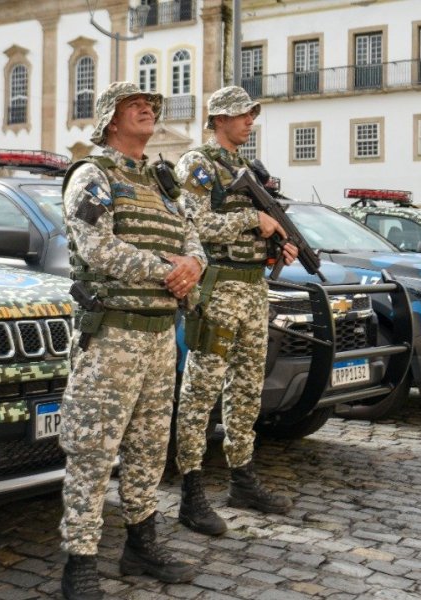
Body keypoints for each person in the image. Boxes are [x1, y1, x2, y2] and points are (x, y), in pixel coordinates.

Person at [57, 82, 206, 600]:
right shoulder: (93, 176)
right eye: (133, 105)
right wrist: (168, 269)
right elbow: (97, 248)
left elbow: (193, 238)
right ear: (110, 121)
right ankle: (79, 561)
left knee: (148, 447)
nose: (147, 109)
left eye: (150, 105)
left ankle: (141, 545)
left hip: (160, 335)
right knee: (93, 452)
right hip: (111, 336)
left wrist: (194, 265)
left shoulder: (163, 182)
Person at [172, 85, 297, 537]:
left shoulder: (245, 168)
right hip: (218, 288)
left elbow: (255, 230)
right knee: (201, 390)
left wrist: (277, 243)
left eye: (251, 115)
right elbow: (194, 224)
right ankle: (191, 490)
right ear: (219, 119)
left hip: (252, 288)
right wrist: (253, 220)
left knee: (246, 389)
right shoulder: (198, 163)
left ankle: (242, 478)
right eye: (242, 114)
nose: (250, 121)